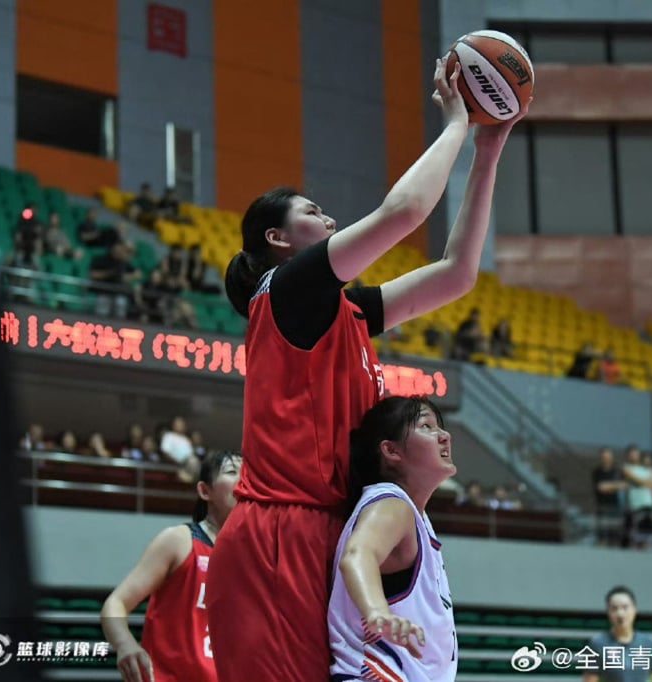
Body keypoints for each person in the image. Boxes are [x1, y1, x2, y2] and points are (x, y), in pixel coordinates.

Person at [208, 59, 528, 682]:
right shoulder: (286, 290)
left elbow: (457, 273)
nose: (329, 221)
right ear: (277, 239)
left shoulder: (346, 309)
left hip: (326, 525)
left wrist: (490, 148)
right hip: (281, 531)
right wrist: (457, 123)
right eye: (313, 213)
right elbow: (405, 211)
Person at [329, 396, 457, 682]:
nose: (444, 436)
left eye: (441, 428)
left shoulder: (416, 517)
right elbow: (357, 556)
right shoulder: (391, 503)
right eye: (427, 426)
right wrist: (377, 613)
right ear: (391, 450)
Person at [101, 450, 241, 682]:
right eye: (232, 472)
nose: (243, 480)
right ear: (205, 491)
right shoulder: (179, 540)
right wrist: (126, 644)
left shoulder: (249, 559)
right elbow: (115, 603)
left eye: (248, 475)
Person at [582, 586, 652, 682]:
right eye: (614, 608)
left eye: (625, 607)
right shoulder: (597, 644)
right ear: (608, 612)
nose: (620, 613)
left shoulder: (648, 643)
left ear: (634, 609)